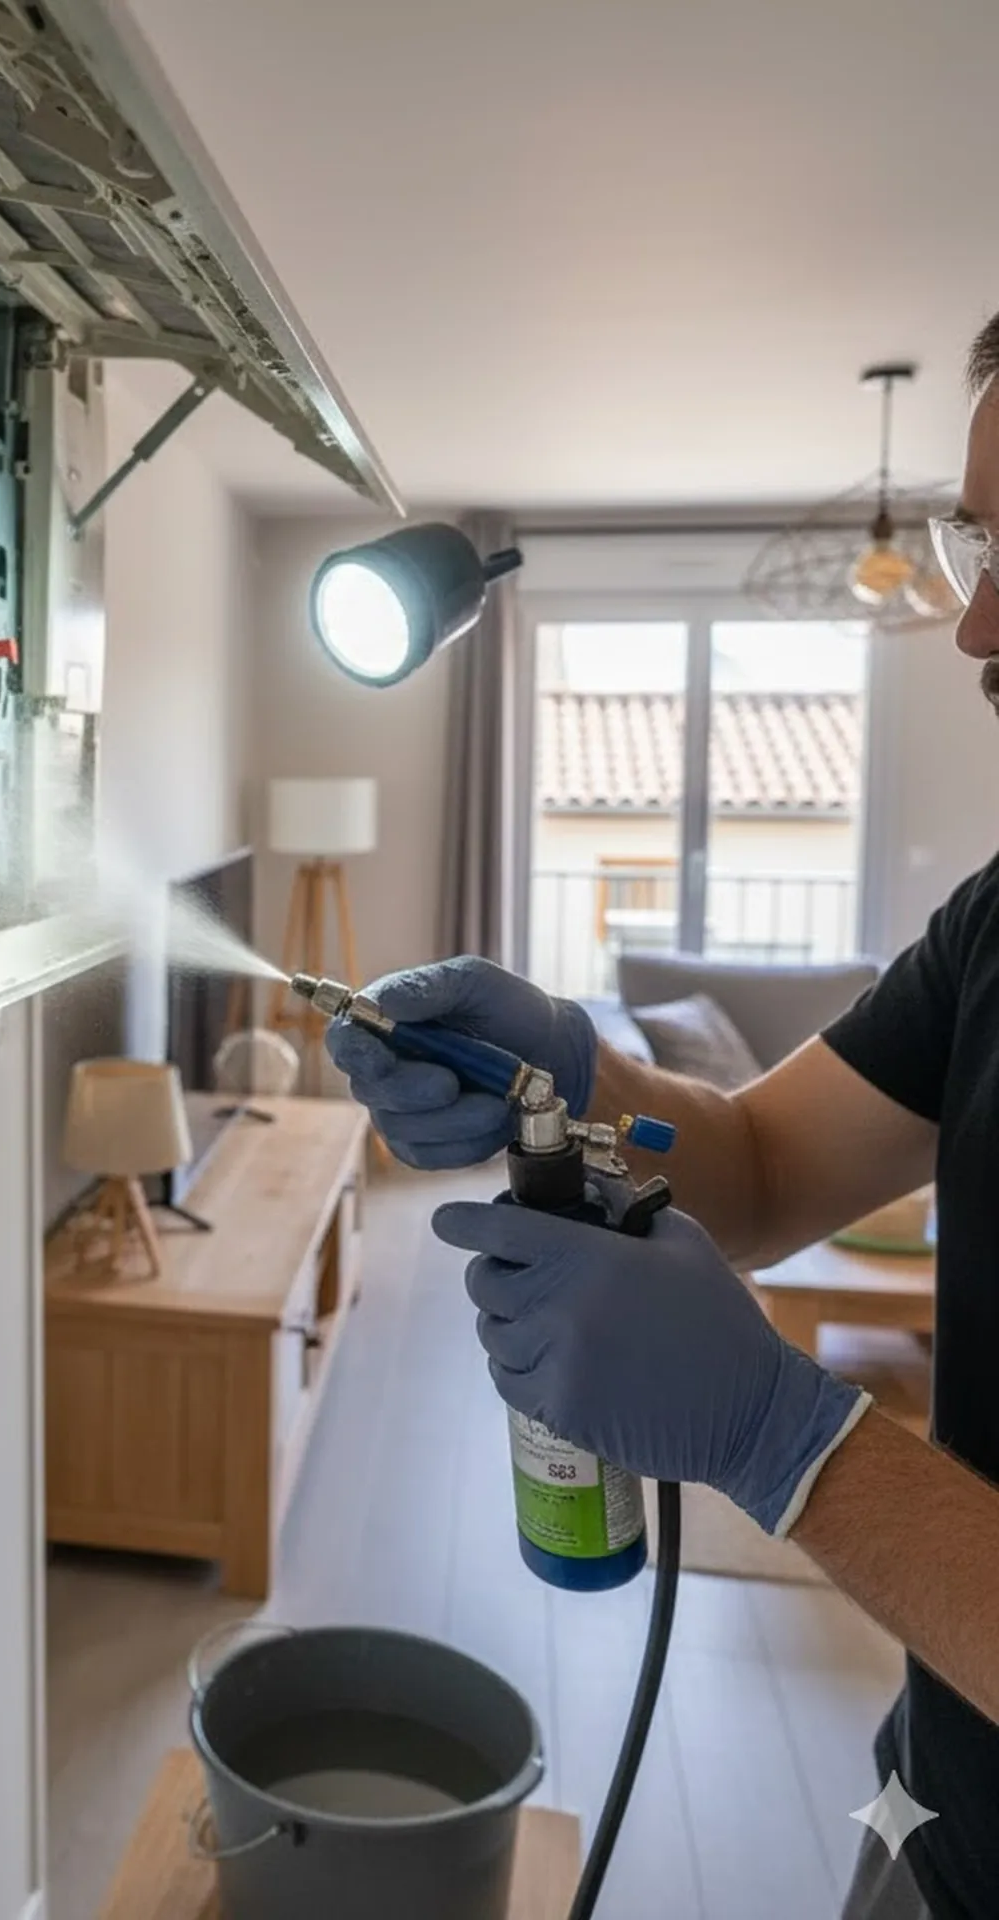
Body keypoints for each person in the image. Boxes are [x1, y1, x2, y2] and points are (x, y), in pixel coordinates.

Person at [327, 318, 999, 1920]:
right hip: (936, 1820)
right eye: (983, 540)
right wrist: (561, 1065)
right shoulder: (995, 928)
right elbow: (764, 1168)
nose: (978, 629)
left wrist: (792, 1442)